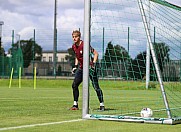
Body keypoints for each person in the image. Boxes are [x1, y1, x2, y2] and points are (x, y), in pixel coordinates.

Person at [70, 30, 105, 111]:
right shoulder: (74, 46)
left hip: (90, 68)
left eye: (76, 37)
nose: (74, 38)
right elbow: (77, 57)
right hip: (82, 68)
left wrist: (93, 64)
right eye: (73, 37)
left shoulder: (85, 45)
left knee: (96, 87)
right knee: (74, 85)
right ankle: (75, 105)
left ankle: (102, 105)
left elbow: (96, 53)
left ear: (79, 37)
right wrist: (75, 66)